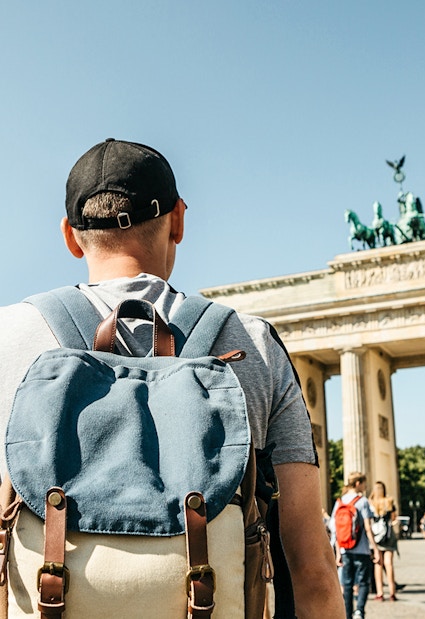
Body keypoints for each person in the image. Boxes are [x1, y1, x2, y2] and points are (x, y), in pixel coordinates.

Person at [0, 138, 345, 619]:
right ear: (178, 220)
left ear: (70, 236)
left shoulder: (7, 337)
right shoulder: (254, 344)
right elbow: (312, 571)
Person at [332, 471, 380, 619]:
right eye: (364, 483)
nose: (365, 486)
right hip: (362, 550)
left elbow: (334, 529)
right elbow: (367, 527)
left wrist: (338, 552)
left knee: (347, 584)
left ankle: (347, 615)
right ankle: (359, 611)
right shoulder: (363, 501)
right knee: (364, 582)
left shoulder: (340, 501)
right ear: (358, 483)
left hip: (345, 549)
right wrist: (375, 549)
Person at [368, 481, 398, 601]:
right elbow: (394, 518)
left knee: (378, 564)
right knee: (388, 563)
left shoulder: (370, 503)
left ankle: (380, 592)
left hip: (376, 536)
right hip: (388, 535)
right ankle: (392, 591)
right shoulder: (389, 501)